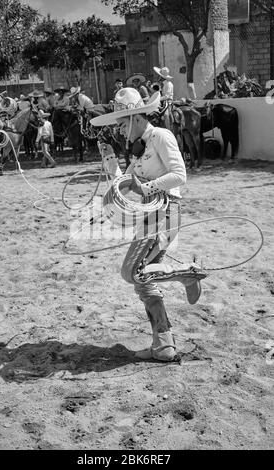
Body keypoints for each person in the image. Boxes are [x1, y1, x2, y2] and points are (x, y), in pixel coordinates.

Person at [90, 87, 202, 362]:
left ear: (135, 118)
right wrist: (110, 162)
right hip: (152, 216)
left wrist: (146, 187)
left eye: (120, 123)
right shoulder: (138, 150)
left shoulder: (161, 136)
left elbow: (180, 175)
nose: (117, 129)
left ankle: (186, 272)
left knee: (132, 272)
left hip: (165, 212)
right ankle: (164, 346)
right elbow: (123, 185)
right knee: (144, 278)